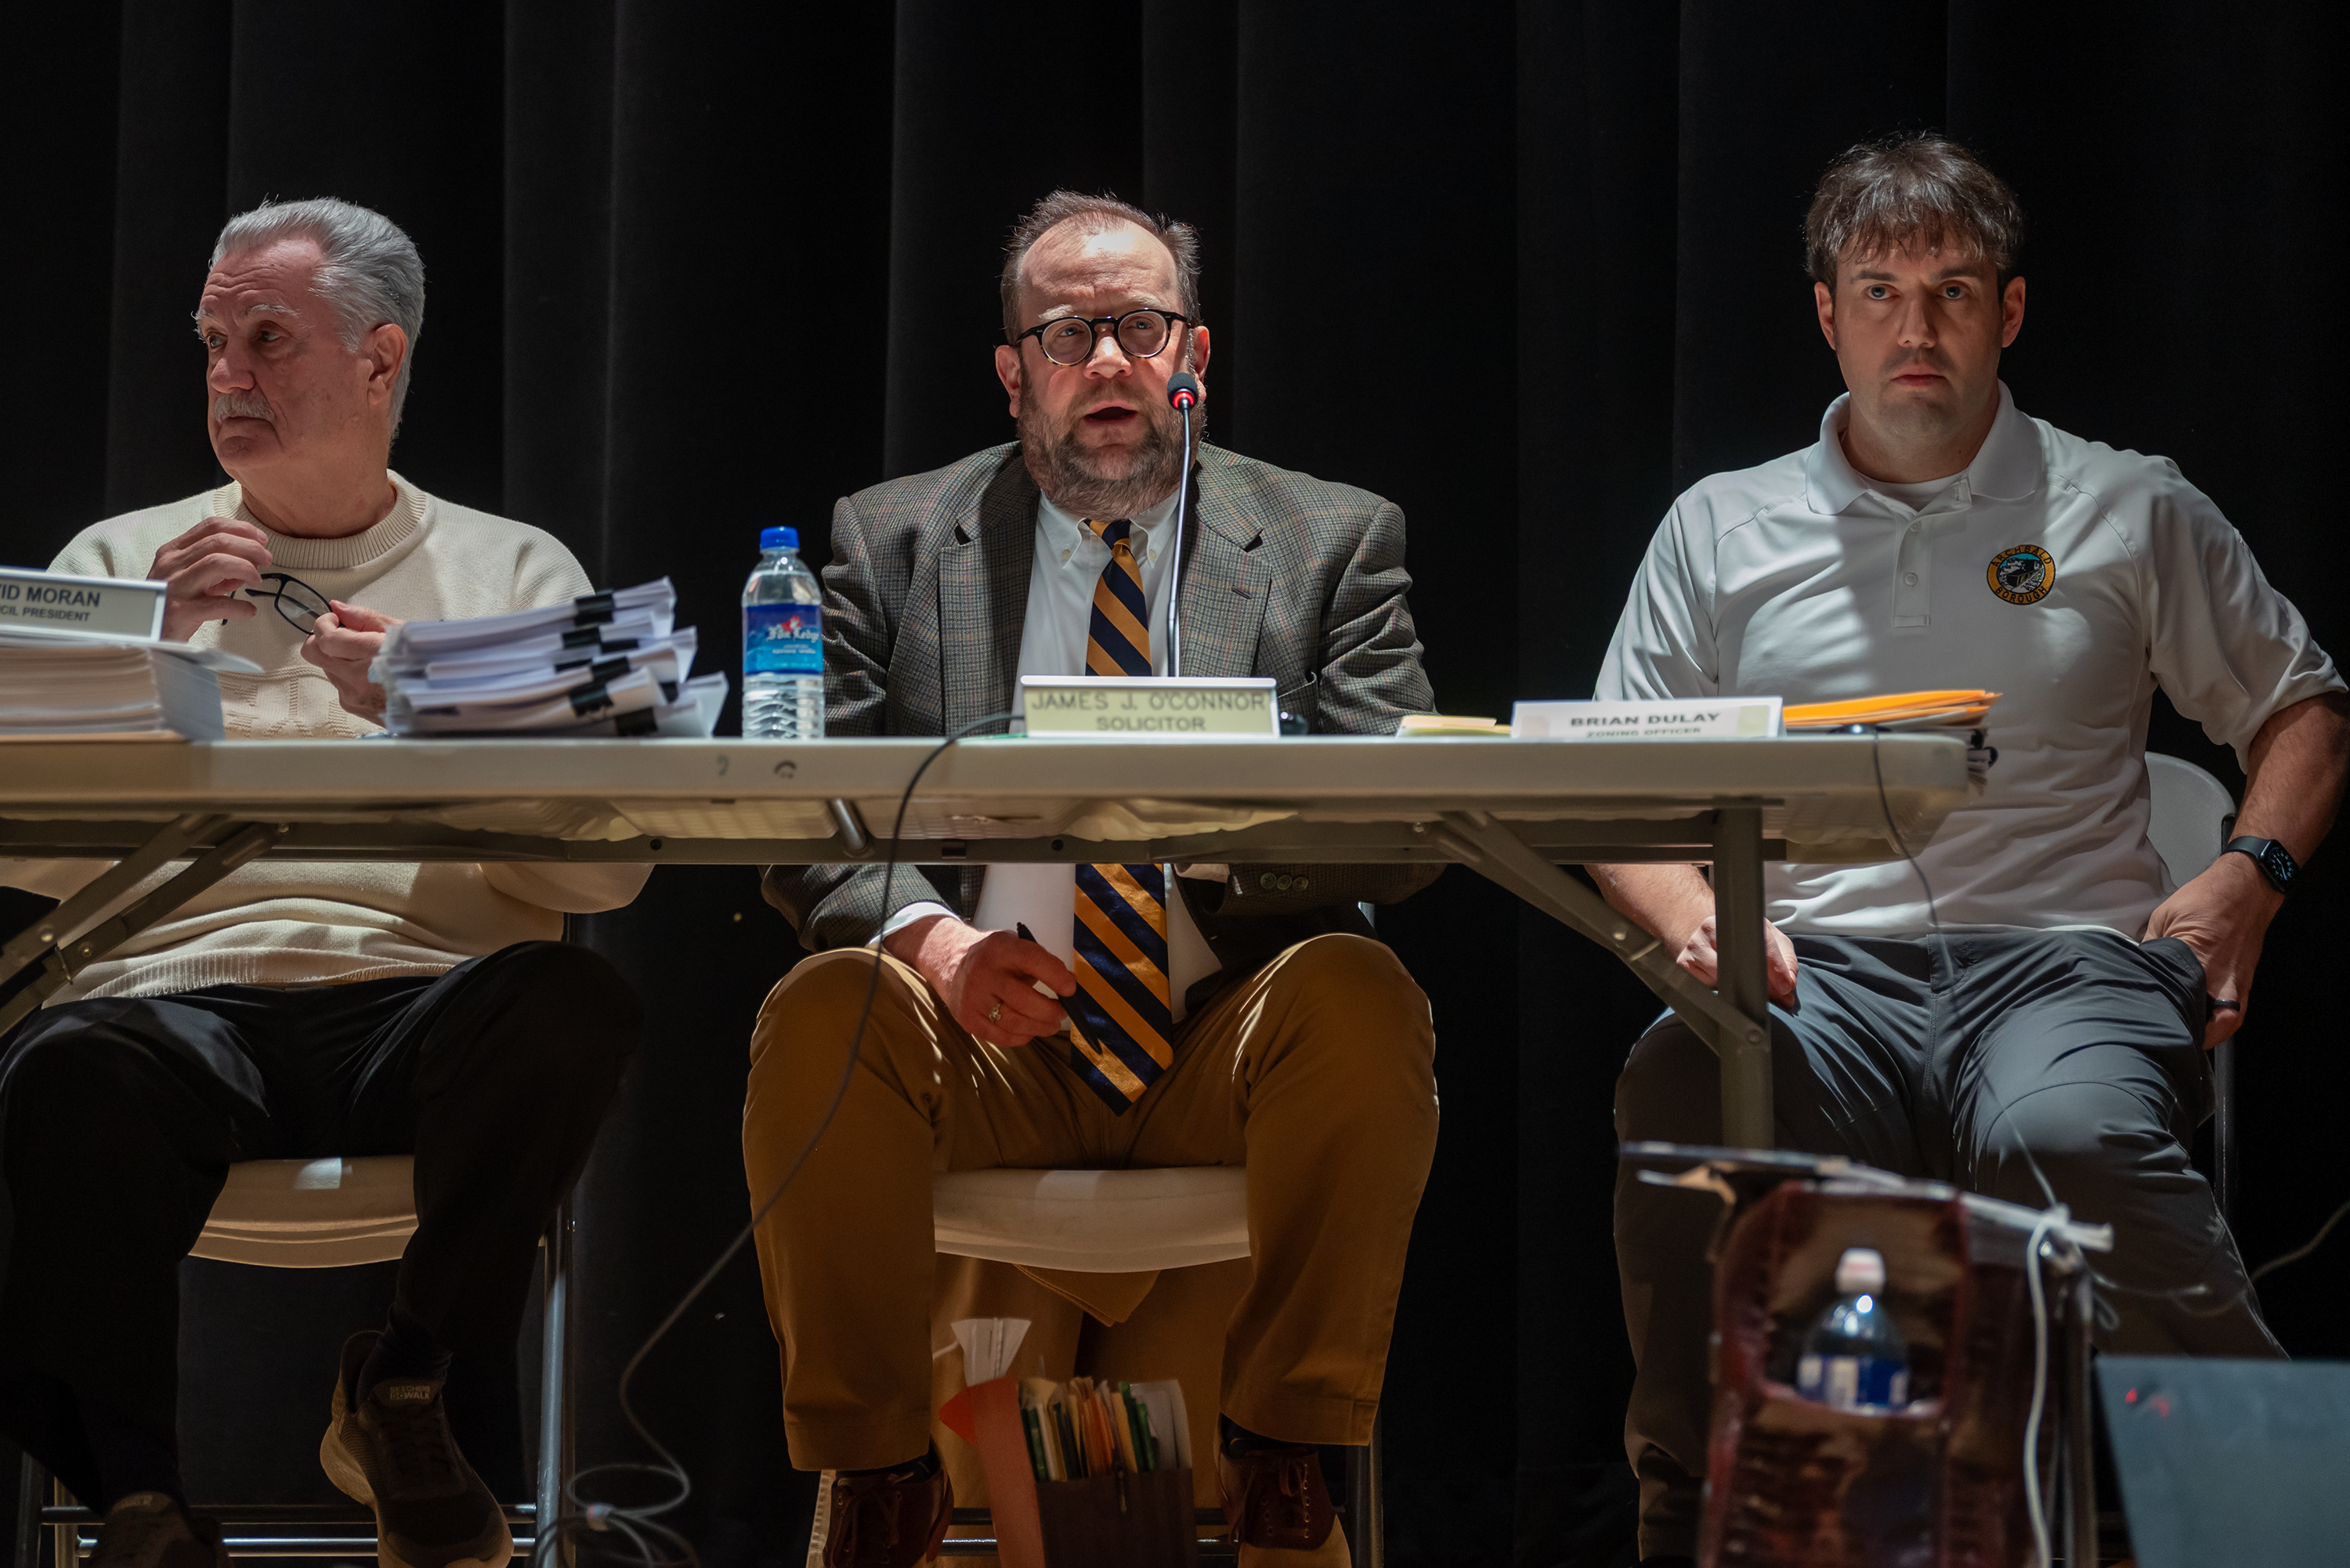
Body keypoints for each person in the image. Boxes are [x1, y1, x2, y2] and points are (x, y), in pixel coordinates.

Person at [1592, 134, 2350, 1567]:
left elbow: (2304, 706)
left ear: (2009, 311)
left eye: (1953, 290)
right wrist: (1692, 915)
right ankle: (1703, 1520)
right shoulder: (1720, 526)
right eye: (1880, 291)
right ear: (1828, 315)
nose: (1917, 328)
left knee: (2058, 1135)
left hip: (2067, 967)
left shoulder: (2130, 504)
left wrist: (2252, 878)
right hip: (1815, 972)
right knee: (1682, 1081)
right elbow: (1620, 786)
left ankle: (2268, 1520)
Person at [745, 190, 1441, 1568]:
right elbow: (807, 808)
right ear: (1016, 373)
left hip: (1221, 1033)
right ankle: (878, 1479)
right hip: (985, 1043)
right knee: (828, 1005)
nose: (1109, 362)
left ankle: (1291, 1460)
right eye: (1070, 334)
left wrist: (1205, 810)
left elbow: (1402, 823)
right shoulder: (890, 543)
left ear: (1195, 354)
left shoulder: (1328, 539)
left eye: (1140, 327)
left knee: (1361, 988)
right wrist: (938, 947)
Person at [0, 199, 649, 1568]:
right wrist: (148, 663)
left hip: (421, 1003)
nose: (228, 374)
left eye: (268, 338)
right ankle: (139, 1502)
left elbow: (613, 860)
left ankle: (405, 1386)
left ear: (379, 357)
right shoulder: (122, 564)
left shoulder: (518, 570)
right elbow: (23, 848)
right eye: (213, 342)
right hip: (173, 1008)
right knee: (58, 1066)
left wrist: (436, 703)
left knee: (574, 1001)